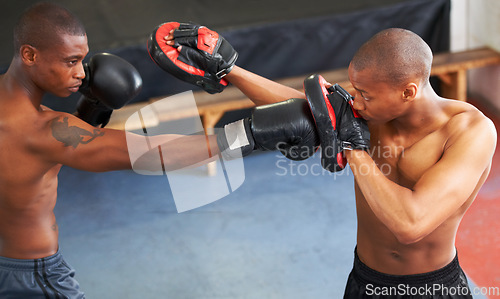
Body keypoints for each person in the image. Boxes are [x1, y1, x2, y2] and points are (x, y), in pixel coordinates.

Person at [0, 3, 319, 298]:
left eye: (81, 60)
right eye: (70, 62)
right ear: (29, 55)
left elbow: (32, 162)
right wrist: (249, 133)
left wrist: (91, 111)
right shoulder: (43, 130)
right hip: (33, 274)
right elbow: (149, 152)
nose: (82, 72)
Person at [160, 25, 497, 298]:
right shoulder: (375, 113)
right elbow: (302, 107)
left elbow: (411, 224)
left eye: (366, 95)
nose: (357, 104)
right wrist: (230, 71)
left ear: (407, 92)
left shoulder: (470, 132)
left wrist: (351, 146)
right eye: (355, 91)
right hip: (366, 280)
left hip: (431, 288)